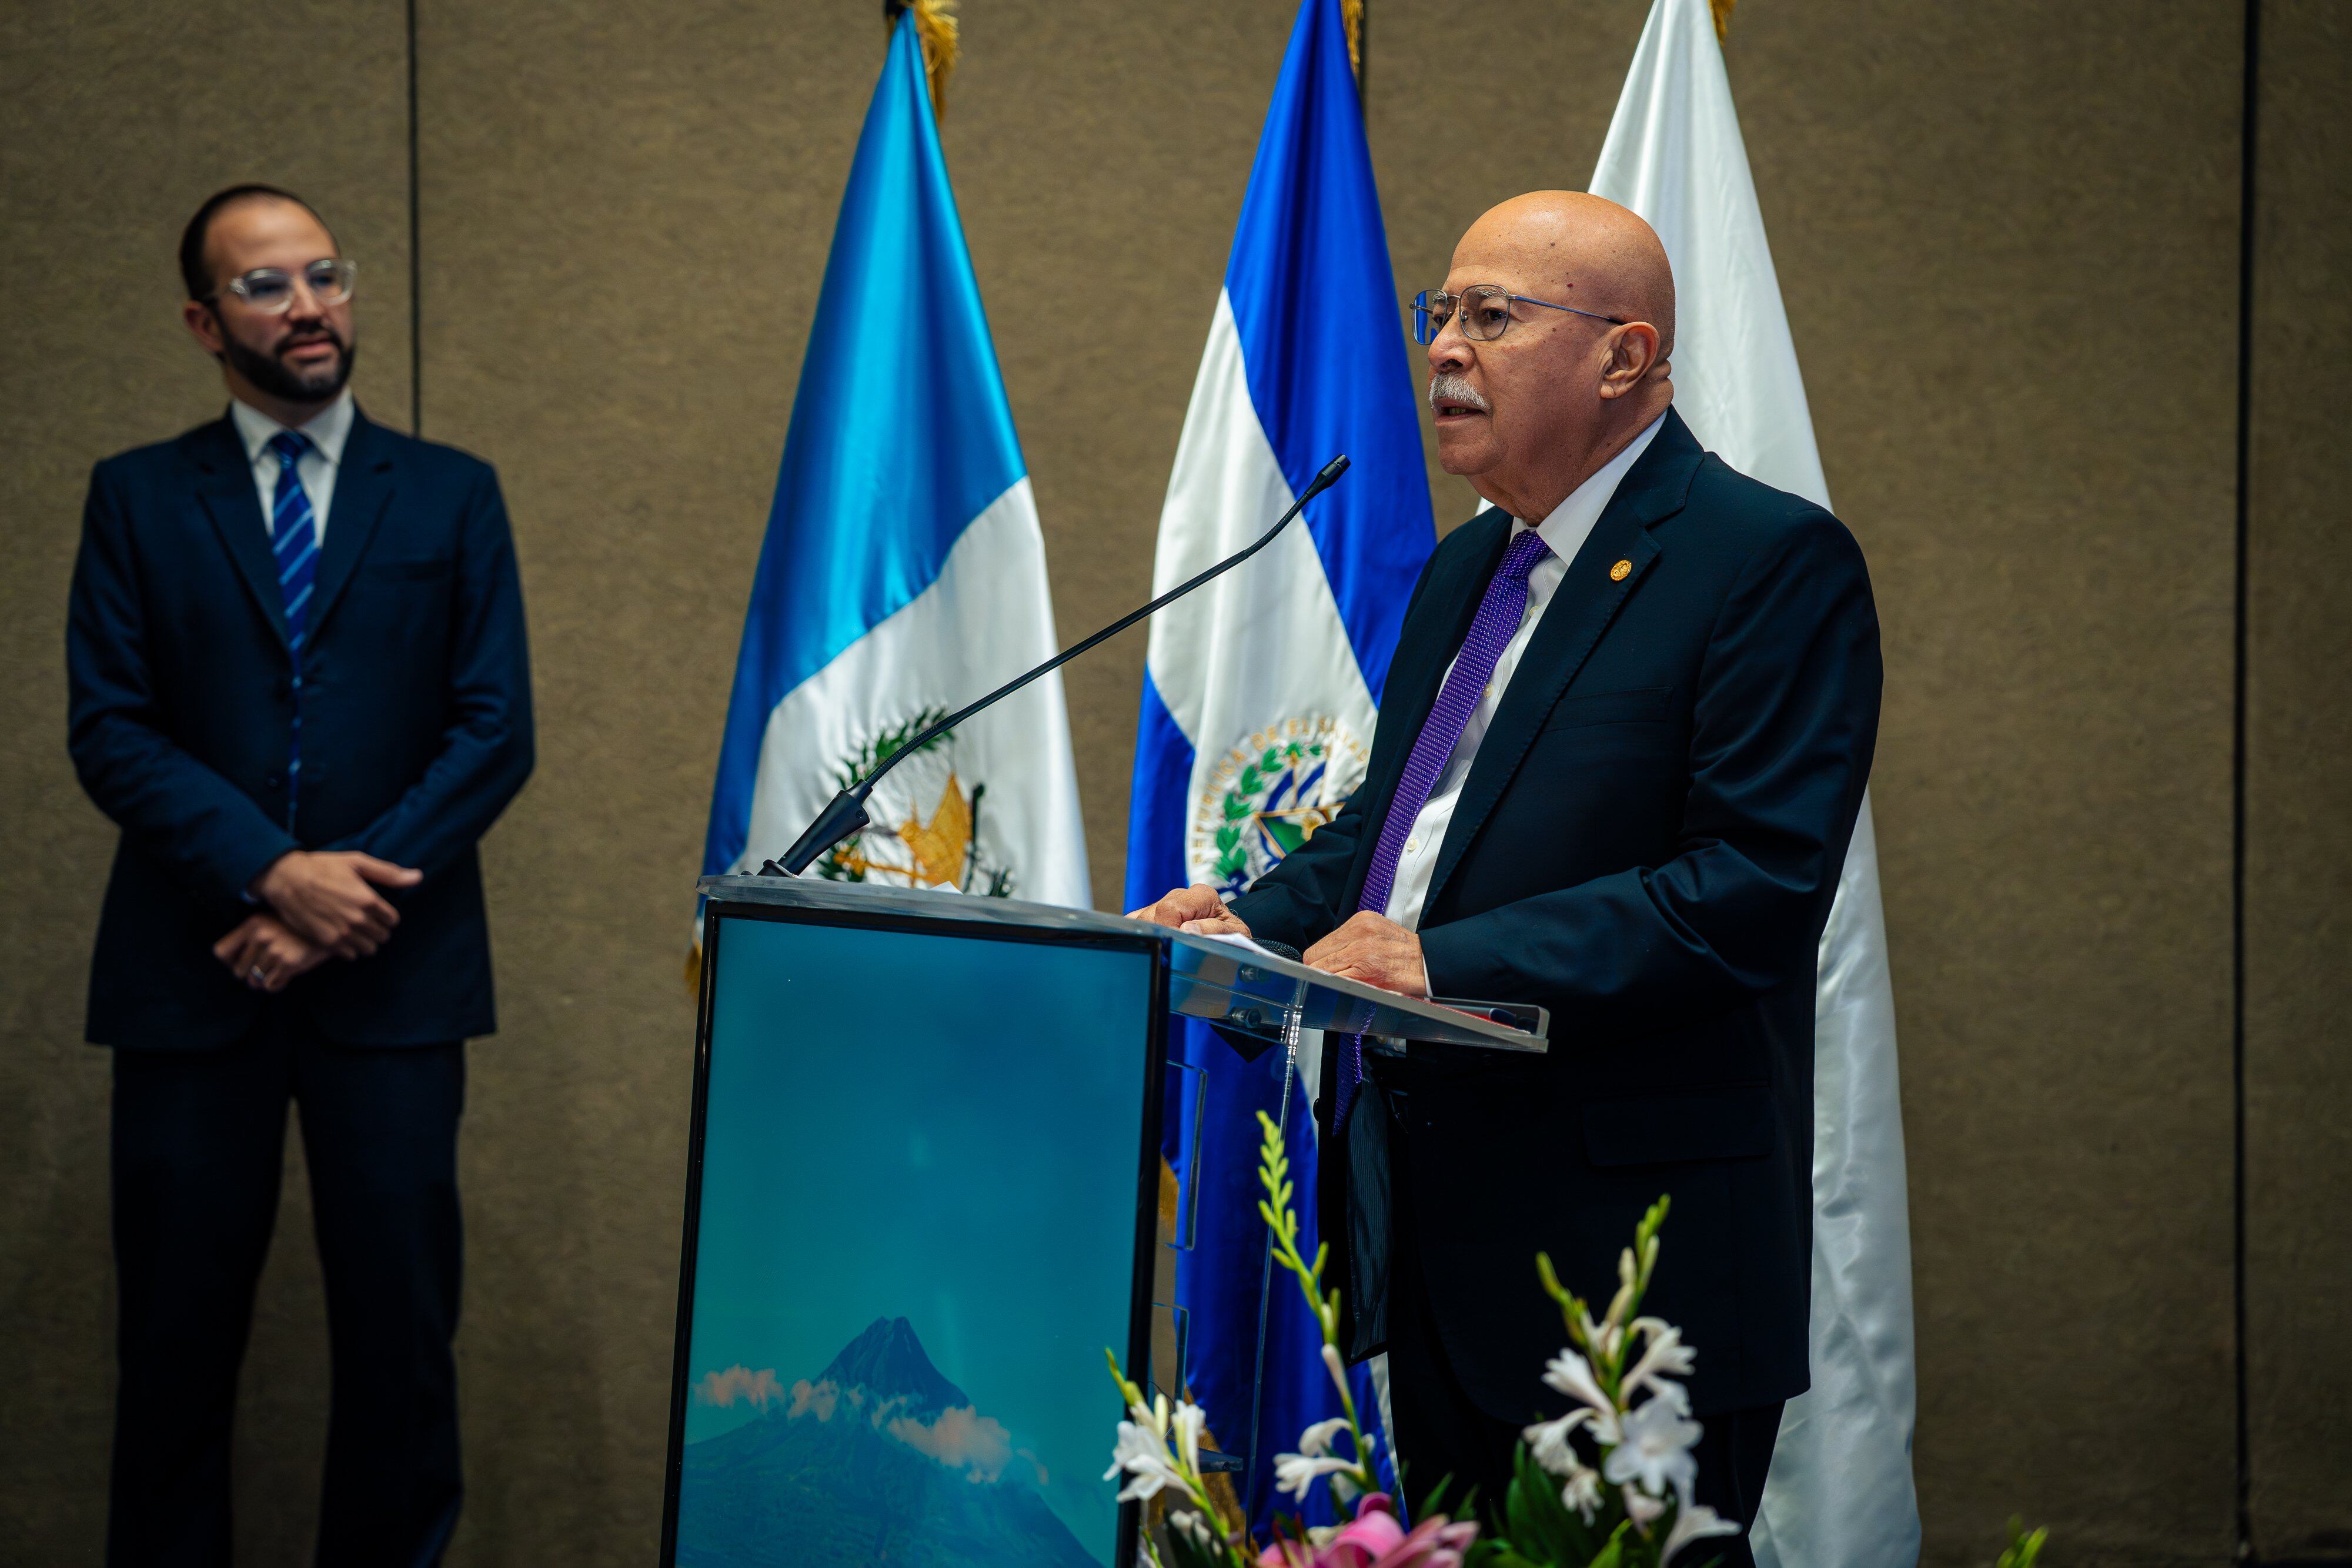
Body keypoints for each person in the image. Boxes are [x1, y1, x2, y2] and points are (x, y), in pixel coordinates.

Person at [1128, 192, 1880, 1562]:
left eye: (1493, 315)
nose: (1443, 350)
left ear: (1623, 356)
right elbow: (1401, 827)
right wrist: (1250, 921)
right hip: (1435, 1236)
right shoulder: (1469, 566)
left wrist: (1446, 959)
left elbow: (1751, 888)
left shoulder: (1762, 562)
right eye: (1438, 313)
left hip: (1629, 1265)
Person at [66, 183, 534, 1564]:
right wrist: (273, 873)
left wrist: (339, 904)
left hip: (393, 987)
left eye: (326, 274)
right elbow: (111, 725)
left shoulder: (451, 494)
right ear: (206, 322)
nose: (311, 305)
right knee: (171, 1352)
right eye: (268, 287)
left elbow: (493, 727)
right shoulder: (137, 498)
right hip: (187, 980)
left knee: (401, 1349)